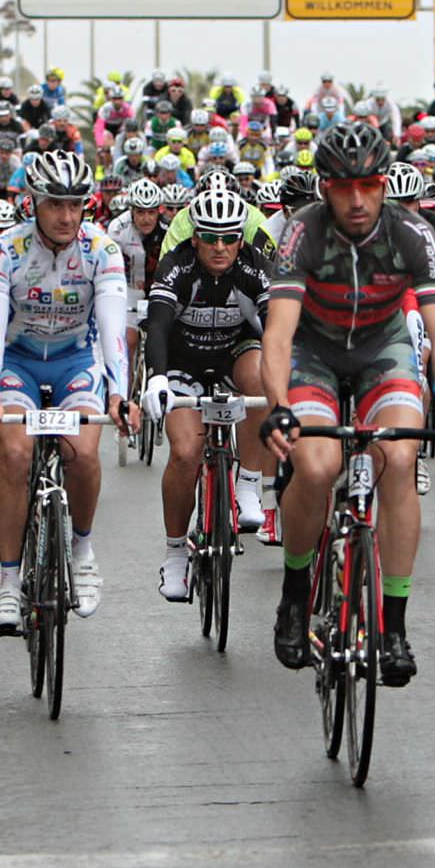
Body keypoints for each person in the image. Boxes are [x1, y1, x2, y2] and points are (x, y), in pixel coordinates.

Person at [258, 120, 435, 686]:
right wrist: (278, 404)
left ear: (383, 185)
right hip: (314, 353)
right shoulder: (301, 233)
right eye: (343, 187)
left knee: (400, 458)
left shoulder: (413, 232)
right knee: (318, 464)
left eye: (370, 185)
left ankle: (394, 624)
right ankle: (296, 591)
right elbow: (278, 335)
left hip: (383, 349)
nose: (357, 200)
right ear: (324, 187)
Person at [0, 153, 136, 632]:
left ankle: (82, 551)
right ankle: (7, 583)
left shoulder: (102, 251)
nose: (66, 216)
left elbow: (112, 328)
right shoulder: (5, 252)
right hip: (16, 362)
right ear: (34, 203)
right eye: (55, 204)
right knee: (16, 453)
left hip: (75, 364)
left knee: (83, 453)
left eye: (76, 205)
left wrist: (119, 394)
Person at [140, 187, 274, 600]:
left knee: (263, 376)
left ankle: (248, 483)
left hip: (235, 350)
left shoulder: (255, 266)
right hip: (183, 359)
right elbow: (159, 325)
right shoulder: (176, 267)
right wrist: (158, 378)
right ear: (193, 237)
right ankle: (176, 553)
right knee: (185, 452)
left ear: (241, 237)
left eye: (230, 237)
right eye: (210, 237)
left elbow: (276, 324)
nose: (220, 247)